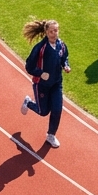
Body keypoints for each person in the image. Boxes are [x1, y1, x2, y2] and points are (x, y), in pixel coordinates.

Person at [20, 19, 71, 148]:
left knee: (57, 109)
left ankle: (51, 135)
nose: (54, 34)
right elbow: (29, 66)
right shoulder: (40, 48)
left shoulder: (61, 45)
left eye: (56, 30)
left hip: (56, 84)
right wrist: (40, 73)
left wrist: (65, 65)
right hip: (41, 85)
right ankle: (28, 102)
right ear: (46, 33)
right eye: (51, 31)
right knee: (43, 112)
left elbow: (64, 58)